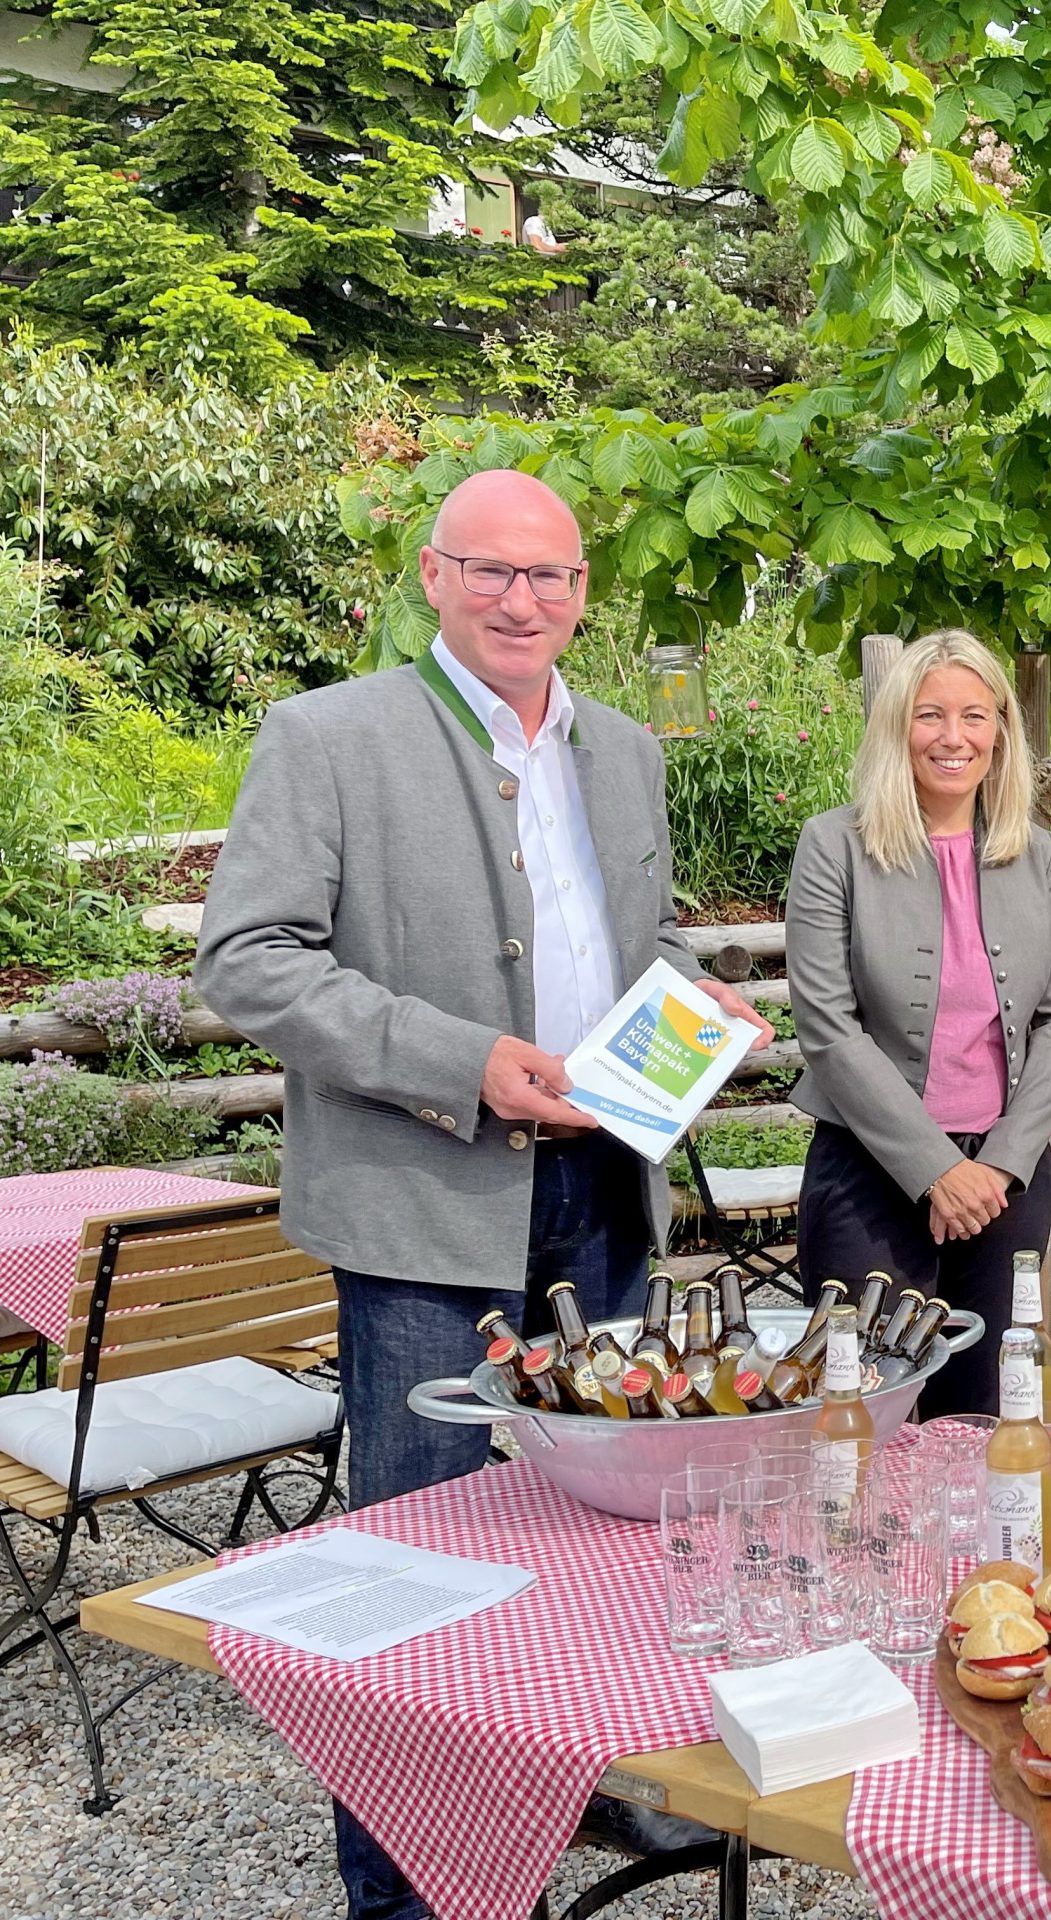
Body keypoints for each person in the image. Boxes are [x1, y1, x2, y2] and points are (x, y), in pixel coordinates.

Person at [195, 468, 772, 1918]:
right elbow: (248, 960)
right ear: (434, 578)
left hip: (605, 1184)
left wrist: (698, 1001)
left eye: (550, 576)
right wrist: (466, 1063)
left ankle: (584, 1781)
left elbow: (630, 945)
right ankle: (404, 1883)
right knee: (415, 1550)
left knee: (601, 1527)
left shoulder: (622, 748)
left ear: (583, 593)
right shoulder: (329, 736)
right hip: (424, 1197)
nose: (523, 600)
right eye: (492, 571)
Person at [784, 628, 1051, 1418]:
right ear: (897, 727)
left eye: (974, 716)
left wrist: (1000, 1164)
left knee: (988, 1411)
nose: (954, 737)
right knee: (861, 1411)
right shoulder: (832, 846)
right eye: (930, 715)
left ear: (1001, 732)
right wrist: (936, 1170)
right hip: (869, 1173)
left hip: (1006, 1182)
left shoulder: (1038, 853)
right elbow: (828, 1028)